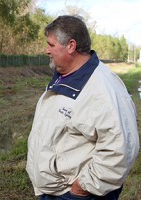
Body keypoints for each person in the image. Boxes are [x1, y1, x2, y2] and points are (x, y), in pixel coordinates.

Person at [26, 15, 139, 200]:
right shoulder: (65, 75)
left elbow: (122, 148)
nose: (46, 50)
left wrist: (83, 187)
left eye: (51, 45)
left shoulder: (102, 89)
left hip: (76, 194)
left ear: (71, 46)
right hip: (56, 191)